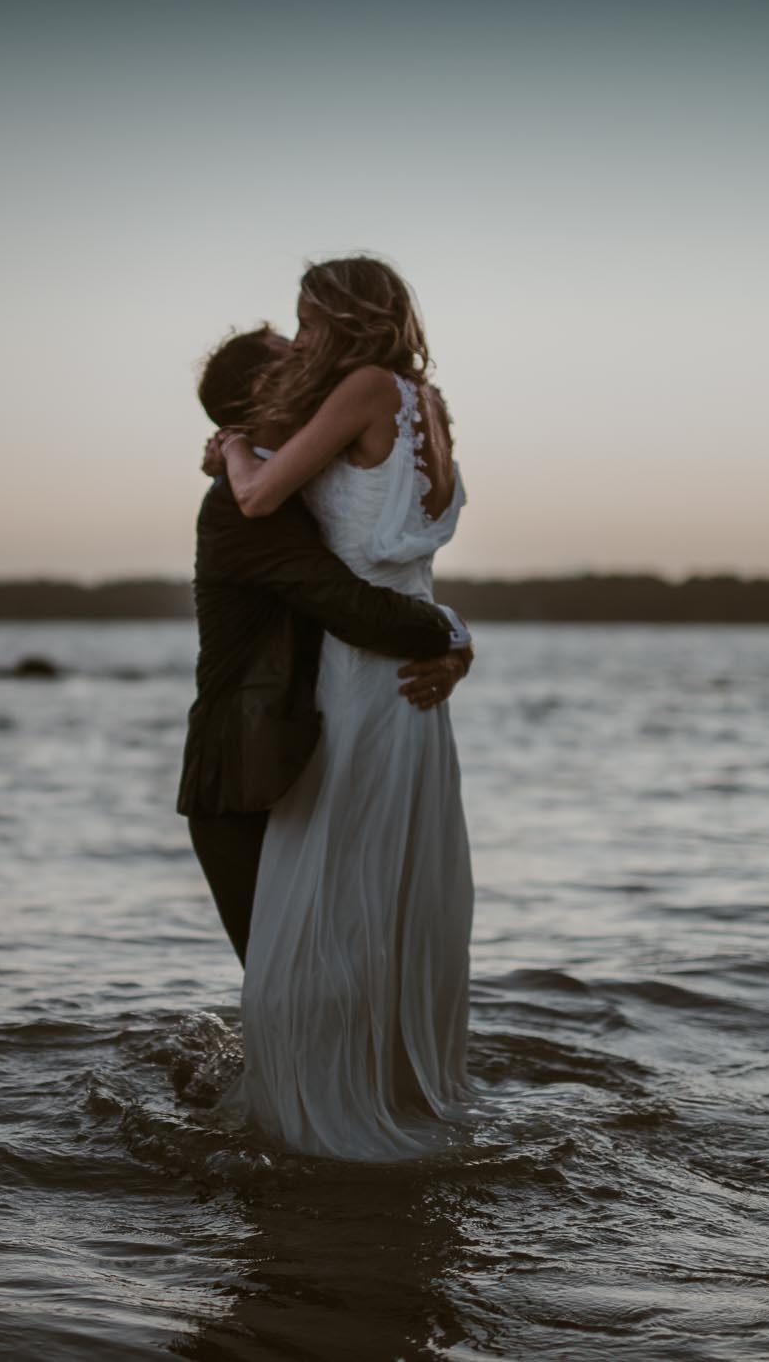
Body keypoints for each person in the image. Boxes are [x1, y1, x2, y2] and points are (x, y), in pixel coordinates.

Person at [207, 256, 484, 1162]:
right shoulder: (426, 405)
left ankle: (322, 1114)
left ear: (343, 318)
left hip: (365, 676)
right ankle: (394, 1083)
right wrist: (453, 636)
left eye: (308, 318)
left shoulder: (365, 386)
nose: (303, 338)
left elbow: (257, 494)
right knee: (384, 893)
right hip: (416, 687)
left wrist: (233, 448)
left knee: (328, 900)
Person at [181, 323, 474, 968]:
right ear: (266, 388)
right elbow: (353, 610)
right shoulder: (244, 508)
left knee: (336, 977)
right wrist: (454, 636)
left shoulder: (306, 481)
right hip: (247, 786)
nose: (316, 355)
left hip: (304, 762)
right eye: (295, 349)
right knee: (293, 988)